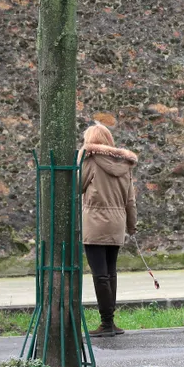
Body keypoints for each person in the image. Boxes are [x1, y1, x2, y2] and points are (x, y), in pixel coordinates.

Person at [79, 122, 138, 337]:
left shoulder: (91, 160)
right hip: (117, 224)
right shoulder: (125, 165)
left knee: (100, 275)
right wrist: (131, 226)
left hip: (94, 223)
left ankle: (106, 324)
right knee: (111, 273)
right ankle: (110, 322)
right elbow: (130, 200)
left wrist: (80, 158)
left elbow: (77, 185)